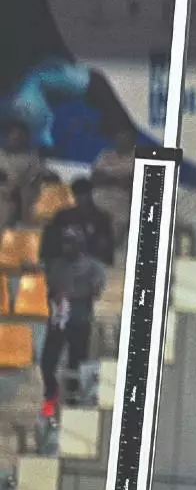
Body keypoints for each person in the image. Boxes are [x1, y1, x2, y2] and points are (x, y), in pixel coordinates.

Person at [40, 224, 107, 418]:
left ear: (80, 244)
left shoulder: (93, 267)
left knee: (76, 364)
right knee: (47, 362)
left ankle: (73, 402)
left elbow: (95, 290)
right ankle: (50, 398)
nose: (67, 246)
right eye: (65, 242)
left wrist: (74, 293)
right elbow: (51, 290)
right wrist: (59, 297)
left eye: (71, 242)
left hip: (80, 321)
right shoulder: (56, 266)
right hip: (58, 321)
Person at [42, 177, 115, 266]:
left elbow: (107, 249)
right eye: (78, 194)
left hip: (92, 263)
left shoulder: (102, 218)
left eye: (84, 194)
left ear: (90, 195)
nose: (81, 198)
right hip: (66, 263)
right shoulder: (64, 216)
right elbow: (51, 242)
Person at [0, 120, 46, 227]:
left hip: (12, 198)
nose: (14, 140)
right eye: (11, 135)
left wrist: (15, 188)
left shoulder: (31, 159)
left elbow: (33, 182)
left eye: (18, 137)